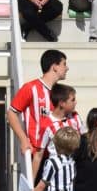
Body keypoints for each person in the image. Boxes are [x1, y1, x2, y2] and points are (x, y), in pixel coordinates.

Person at [7, 49, 68, 181]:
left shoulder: (61, 92)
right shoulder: (31, 88)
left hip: (57, 155)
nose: (67, 68)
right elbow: (11, 113)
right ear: (55, 66)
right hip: (37, 155)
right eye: (64, 64)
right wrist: (23, 139)